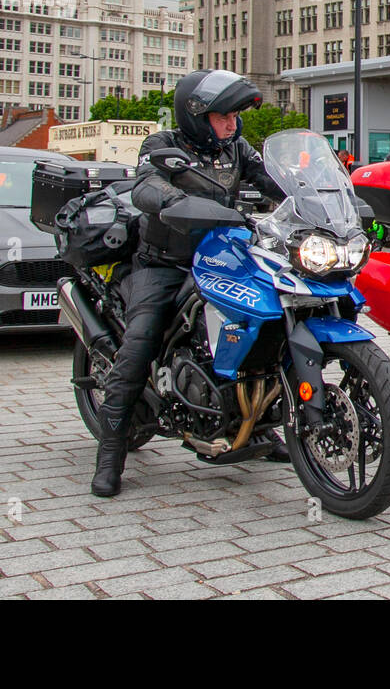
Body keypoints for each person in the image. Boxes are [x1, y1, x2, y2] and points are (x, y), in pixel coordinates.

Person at [91, 70, 288, 498]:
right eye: (223, 116)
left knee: (272, 325)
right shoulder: (161, 146)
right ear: (197, 115)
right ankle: (110, 456)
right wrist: (179, 203)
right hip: (166, 263)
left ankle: (259, 424)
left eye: (235, 116)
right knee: (139, 345)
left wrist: (314, 198)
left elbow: (272, 180)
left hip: (223, 257)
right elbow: (146, 186)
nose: (232, 125)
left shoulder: (236, 147)